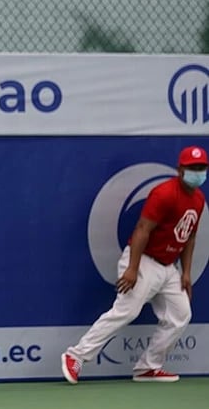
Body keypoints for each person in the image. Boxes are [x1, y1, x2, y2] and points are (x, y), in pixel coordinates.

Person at [62, 145, 208, 384]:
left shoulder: (199, 200)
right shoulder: (164, 193)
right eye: (192, 168)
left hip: (169, 268)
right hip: (144, 261)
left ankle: (148, 367)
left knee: (180, 315)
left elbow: (189, 237)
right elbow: (142, 229)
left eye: (201, 167)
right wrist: (132, 268)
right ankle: (75, 355)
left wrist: (187, 273)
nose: (198, 172)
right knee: (126, 310)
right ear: (179, 169)